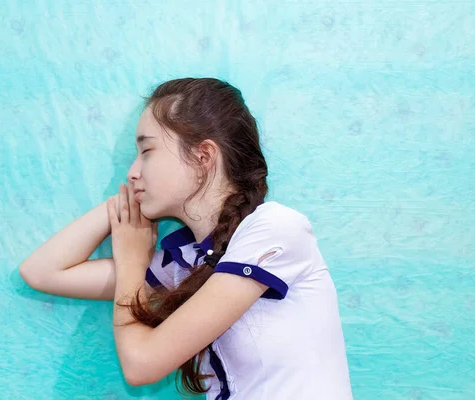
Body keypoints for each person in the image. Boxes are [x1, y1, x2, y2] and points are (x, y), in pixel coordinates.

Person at [19, 77, 353, 399]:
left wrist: (133, 261)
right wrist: (124, 201)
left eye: (147, 151)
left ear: (203, 157)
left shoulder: (275, 230)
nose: (132, 170)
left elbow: (141, 365)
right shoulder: (186, 261)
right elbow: (41, 271)